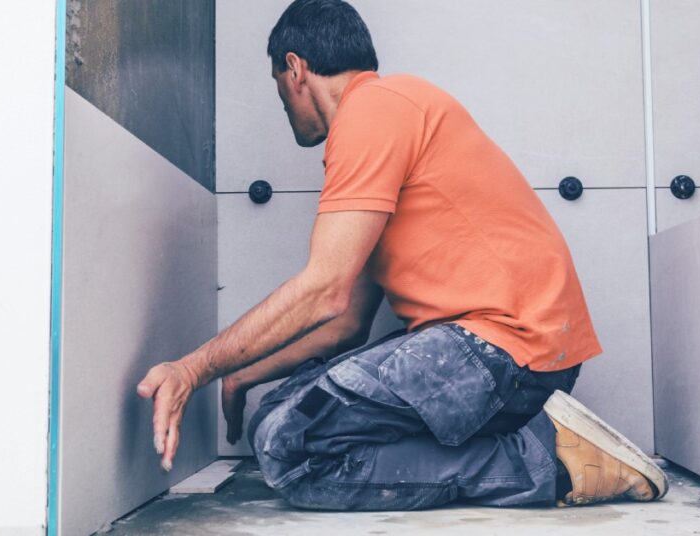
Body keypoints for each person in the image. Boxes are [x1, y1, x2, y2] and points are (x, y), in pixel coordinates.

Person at [137, 0, 667, 510]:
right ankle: (534, 438)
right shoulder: (383, 118)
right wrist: (243, 374)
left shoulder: (372, 110)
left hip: (507, 347)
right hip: (495, 351)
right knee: (275, 415)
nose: (283, 107)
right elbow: (345, 321)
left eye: (280, 91)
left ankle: (553, 461)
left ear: (294, 69)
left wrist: (194, 369)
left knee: (289, 451)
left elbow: (323, 291)